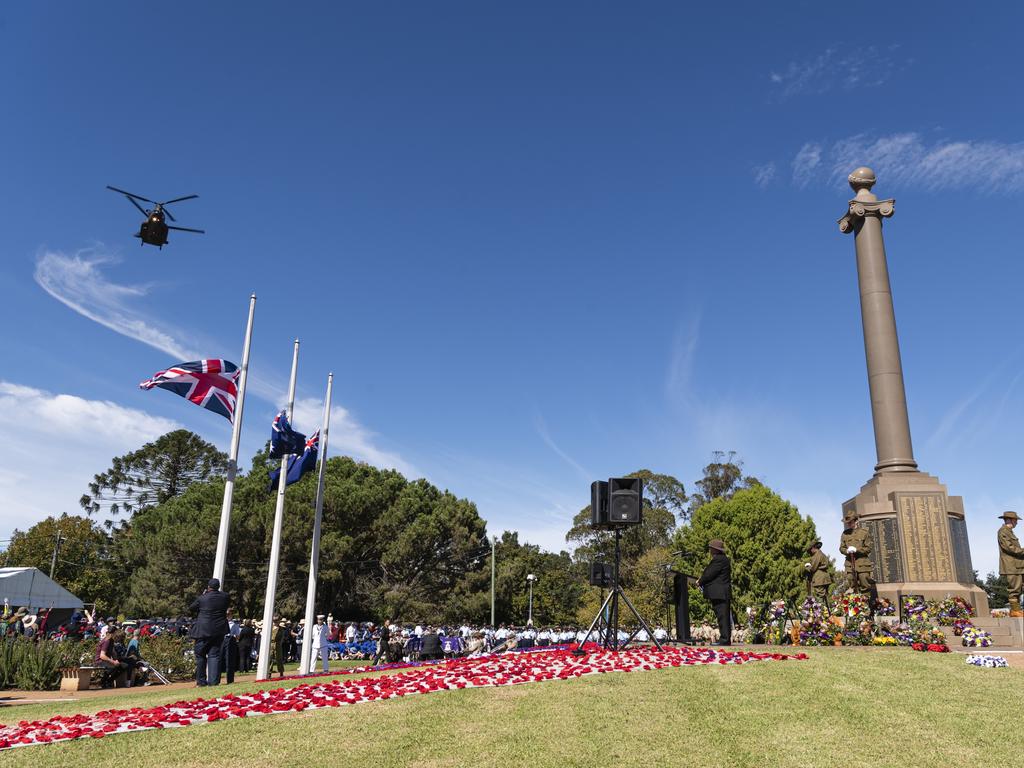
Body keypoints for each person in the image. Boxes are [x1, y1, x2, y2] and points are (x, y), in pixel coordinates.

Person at [189, 578, 230, 687]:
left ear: (208, 587)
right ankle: (213, 682)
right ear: (219, 586)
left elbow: (192, 608)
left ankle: (201, 681)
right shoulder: (225, 597)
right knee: (214, 655)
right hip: (218, 630)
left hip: (203, 630)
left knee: (200, 655)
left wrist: (203, 595)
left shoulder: (203, 598)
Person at [696, 538, 732, 646]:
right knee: (722, 616)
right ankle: (724, 639)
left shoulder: (719, 560)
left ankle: (725, 640)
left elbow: (709, 574)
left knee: (722, 616)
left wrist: (700, 581)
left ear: (715, 549)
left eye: (711, 548)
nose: (710, 551)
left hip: (720, 593)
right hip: (720, 593)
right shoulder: (722, 559)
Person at [839, 510, 874, 598]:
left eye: (850, 522)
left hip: (862, 564)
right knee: (851, 583)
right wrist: (846, 551)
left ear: (856, 521)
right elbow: (841, 548)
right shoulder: (845, 534)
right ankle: (854, 607)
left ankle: (865, 608)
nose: (848, 524)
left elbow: (868, 548)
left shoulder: (864, 532)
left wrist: (857, 550)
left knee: (865, 585)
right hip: (850, 564)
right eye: (847, 522)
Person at [997, 511, 1024, 617]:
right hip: (1011, 566)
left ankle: (1017, 610)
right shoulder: (1003, 531)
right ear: (1011, 520)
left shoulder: (1009, 532)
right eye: (1016, 520)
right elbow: (1009, 547)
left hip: (1018, 565)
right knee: (1014, 589)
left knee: (1019, 588)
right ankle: (1015, 611)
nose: (1017, 522)